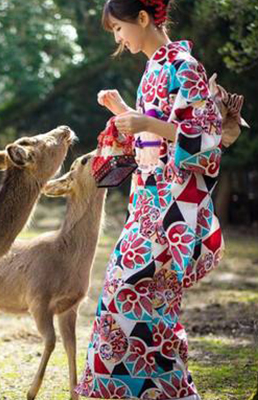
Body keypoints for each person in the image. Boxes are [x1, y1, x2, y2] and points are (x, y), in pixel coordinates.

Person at [76, 0, 223, 399]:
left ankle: (155, 390)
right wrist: (125, 112)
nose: (119, 39)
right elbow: (155, 138)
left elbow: (205, 141)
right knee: (135, 303)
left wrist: (144, 122)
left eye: (119, 28)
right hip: (147, 206)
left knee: (132, 296)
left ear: (143, 18)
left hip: (172, 210)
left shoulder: (184, 66)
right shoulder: (154, 68)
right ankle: (157, 390)